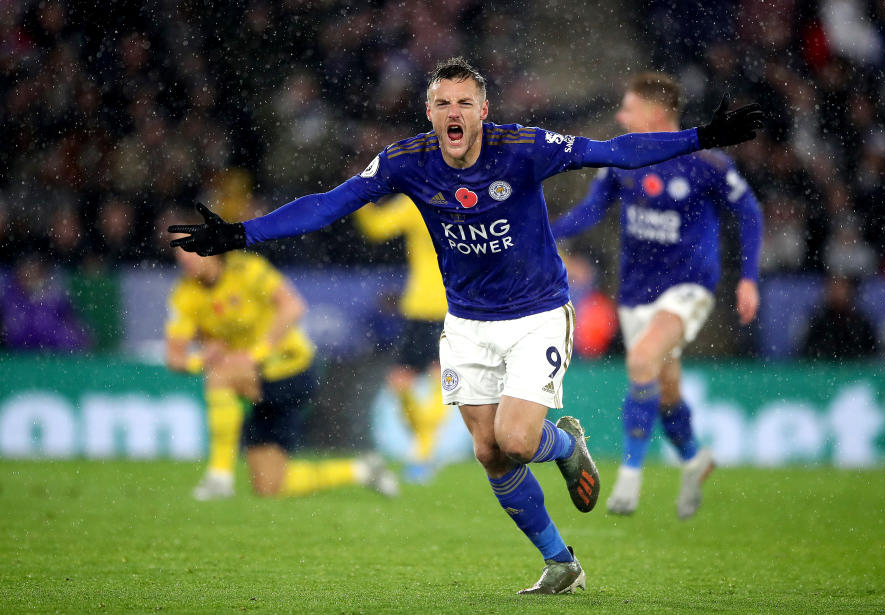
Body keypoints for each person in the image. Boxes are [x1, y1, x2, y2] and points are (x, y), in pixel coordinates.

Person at [169, 57, 762, 594]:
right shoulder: (408, 162)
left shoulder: (525, 148)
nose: (453, 113)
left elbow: (614, 151)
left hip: (536, 313)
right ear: (430, 113)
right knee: (488, 451)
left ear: (484, 110)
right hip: (467, 322)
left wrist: (701, 139)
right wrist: (242, 233)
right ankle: (561, 563)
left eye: (464, 103)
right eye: (442, 103)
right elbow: (332, 201)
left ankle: (563, 444)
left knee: (518, 439)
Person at [551, 72, 763, 519]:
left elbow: (749, 212)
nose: (620, 116)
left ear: (655, 112)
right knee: (665, 389)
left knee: (641, 361)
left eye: (628, 108)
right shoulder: (623, 160)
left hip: (689, 286)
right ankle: (694, 459)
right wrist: (545, 235)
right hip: (635, 292)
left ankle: (629, 478)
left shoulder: (706, 161)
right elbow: (591, 209)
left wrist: (748, 277)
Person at [165, 226, 399, 501]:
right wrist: (200, 360)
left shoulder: (246, 269)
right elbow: (175, 358)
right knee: (270, 486)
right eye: (179, 252)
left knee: (221, 376)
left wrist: (256, 353)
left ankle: (219, 476)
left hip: (293, 367)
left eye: (190, 249)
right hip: (256, 379)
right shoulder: (184, 295)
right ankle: (362, 469)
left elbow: (293, 306)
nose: (185, 258)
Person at [354, 194, 451, 482]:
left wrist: (357, 195)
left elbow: (376, 227)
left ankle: (422, 453)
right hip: (445, 304)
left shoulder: (417, 199)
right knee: (419, 380)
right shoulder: (467, 198)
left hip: (430, 305)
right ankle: (424, 450)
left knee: (430, 377)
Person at [800, 275, 879, 360]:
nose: (838, 293)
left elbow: (871, 357)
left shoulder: (862, 323)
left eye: (842, 288)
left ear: (850, 291)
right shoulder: (818, 321)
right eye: (834, 288)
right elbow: (809, 354)